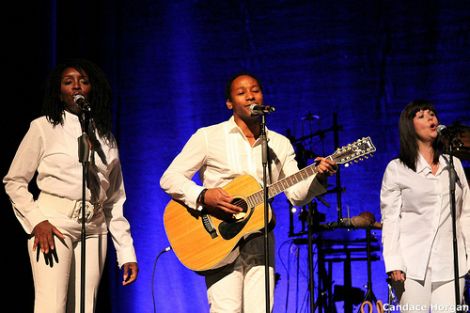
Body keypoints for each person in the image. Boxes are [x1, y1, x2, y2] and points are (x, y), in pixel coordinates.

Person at [160, 72, 337, 312]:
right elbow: (170, 178)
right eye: (241, 92)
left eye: (255, 90)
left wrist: (319, 176)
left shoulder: (279, 143)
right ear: (229, 103)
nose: (250, 96)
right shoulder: (208, 137)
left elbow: (295, 194)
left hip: (260, 238)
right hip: (217, 237)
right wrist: (203, 195)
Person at [3, 58, 138, 313]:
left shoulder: (106, 138)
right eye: (68, 82)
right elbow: (15, 181)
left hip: (94, 227)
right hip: (54, 224)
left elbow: (115, 201)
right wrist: (36, 221)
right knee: (52, 306)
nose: (76, 86)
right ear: (59, 91)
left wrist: (126, 252)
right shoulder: (43, 127)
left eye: (83, 81)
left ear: (92, 89)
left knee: (85, 307)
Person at [380, 100, 470, 312]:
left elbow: (466, 213)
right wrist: (394, 262)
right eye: (421, 115)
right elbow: (391, 219)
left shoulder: (453, 164)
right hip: (412, 266)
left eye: (432, 114)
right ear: (409, 127)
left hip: (451, 265)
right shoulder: (397, 169)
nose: (431, 118)